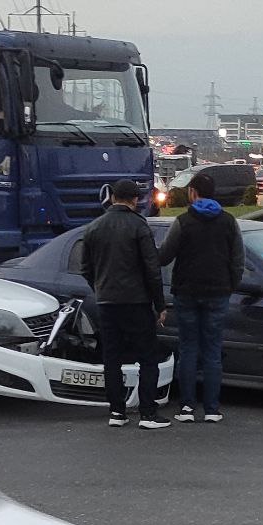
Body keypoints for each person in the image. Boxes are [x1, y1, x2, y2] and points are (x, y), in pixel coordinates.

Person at [80, 179, 171, 430]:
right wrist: (159, 304)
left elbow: (85, 267)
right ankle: (148, 413)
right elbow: (151, 269)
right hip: (136, 301)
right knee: (147, 357)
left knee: (112, 357)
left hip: (107, 301)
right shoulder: (138, 226)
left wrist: (99, 287)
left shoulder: (94, 227)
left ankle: (117, 412)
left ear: (112, 198)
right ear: (134, 199)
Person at [158, 172, 243, 424]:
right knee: (213, 350)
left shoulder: (183, 221)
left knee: (188, 348)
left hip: (186, 292)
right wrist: (229, 286)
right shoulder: (229, 222)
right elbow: (238, 260)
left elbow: (164, 256)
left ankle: (186, 407)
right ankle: (212, 409)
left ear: (193, 193)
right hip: (218, 293)